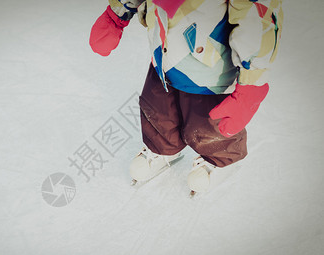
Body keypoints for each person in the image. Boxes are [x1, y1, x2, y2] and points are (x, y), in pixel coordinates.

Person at [89, 0, 283, 195]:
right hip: (163, 54)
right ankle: (163, 146)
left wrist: (252, 82)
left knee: (209, 119)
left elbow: (257, 14)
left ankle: (222, 156)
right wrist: (115, 15)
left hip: (211, 67)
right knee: (157, 108)